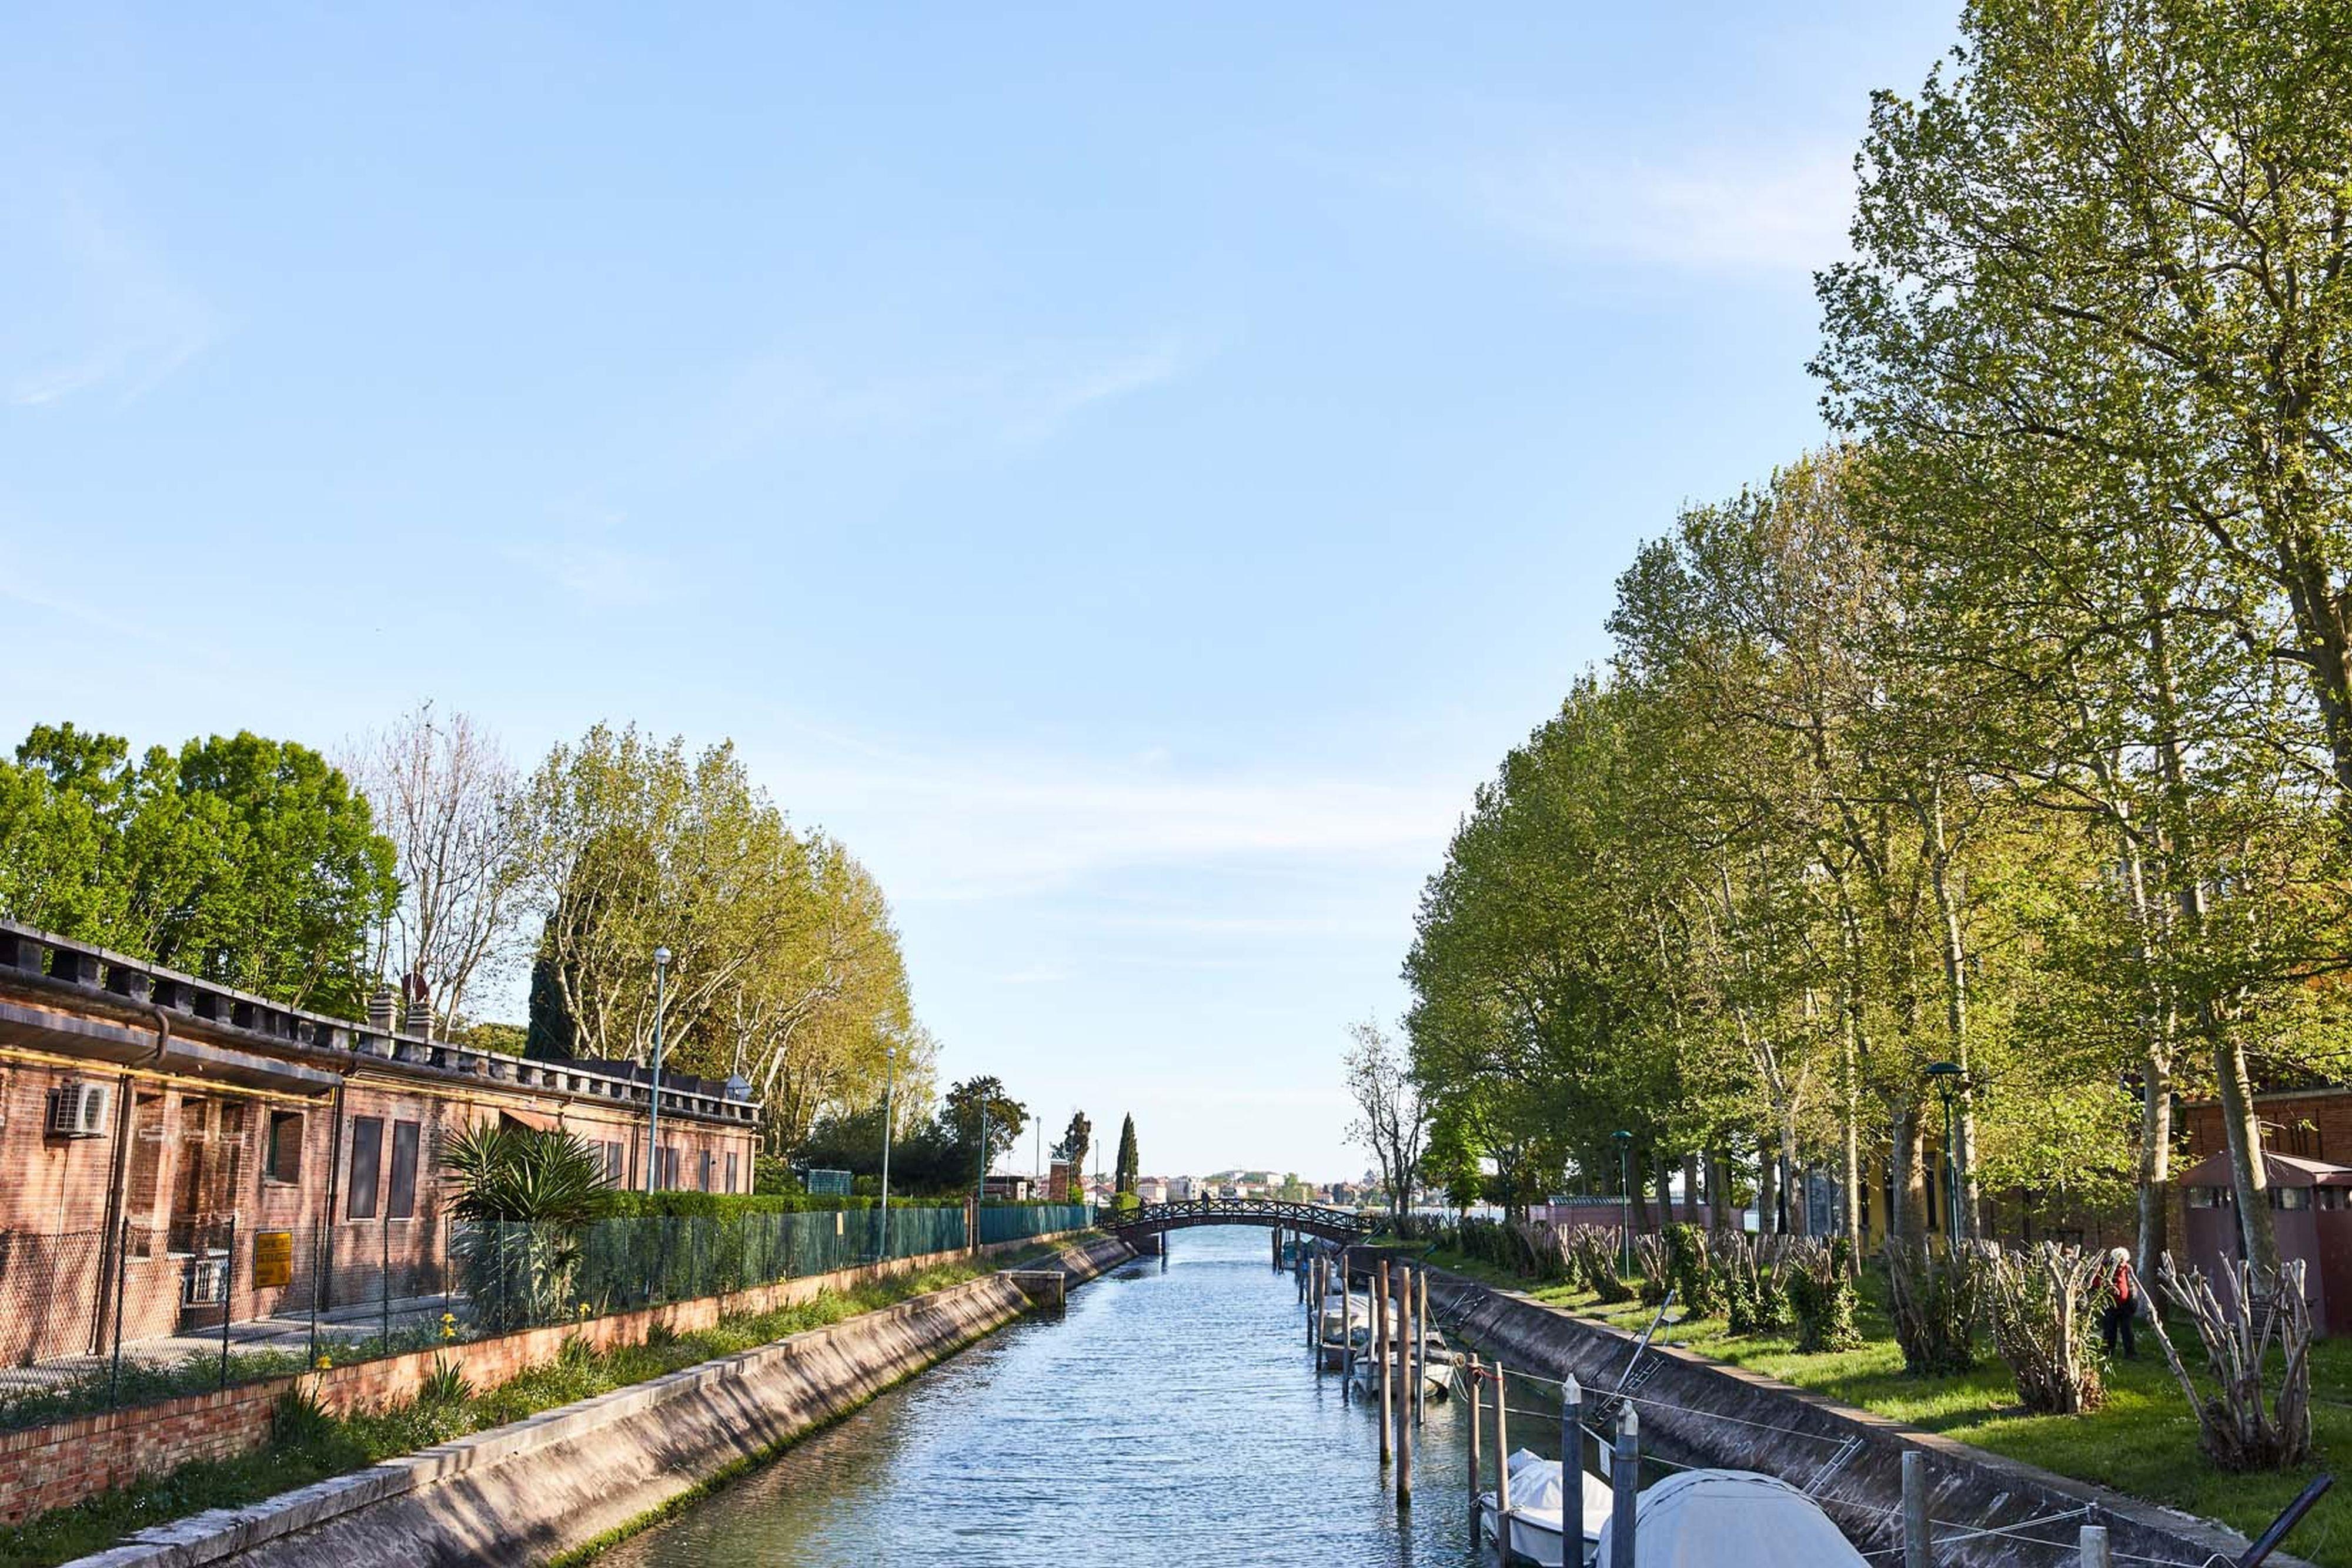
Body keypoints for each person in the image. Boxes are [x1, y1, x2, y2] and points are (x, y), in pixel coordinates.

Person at [2100, 1246, 2138, 1359]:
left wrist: (2133, 1301)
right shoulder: (2106, 1267)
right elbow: (2098, 1283)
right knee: (2109, 1330)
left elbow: (2132, 1285)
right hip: (2110, 1305)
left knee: (2127, 1331)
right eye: (2120, 1260)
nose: (2122, 1263)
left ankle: (2131, 1353)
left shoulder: (2127, 1268)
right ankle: (2106, 1353)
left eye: (2124, 1260)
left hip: (2125, 1305)